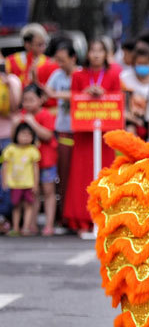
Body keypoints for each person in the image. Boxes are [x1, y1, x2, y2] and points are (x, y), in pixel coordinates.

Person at [64, 38, 121, 233]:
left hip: (104, 133)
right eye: (92, 50)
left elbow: (117, 101)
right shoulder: (78, 76)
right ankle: (80, 217)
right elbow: (74, 99)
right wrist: (87, 94)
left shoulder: (114, 74)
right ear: (87, 54)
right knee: (82, 174)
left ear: (106, 54)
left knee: (103, 173)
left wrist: (103, 95)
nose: (96, 54)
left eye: (100, 51)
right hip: (84, 133)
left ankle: (103, 215)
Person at [15, 85, 57, 236]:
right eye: (25, 100)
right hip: (28, 163)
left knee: (48, 191)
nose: (28, 103)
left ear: (41, 100)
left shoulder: (45, 115)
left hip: (46, 160)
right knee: (33, 192)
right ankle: (31, 224)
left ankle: (49, 225)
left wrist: (32, 122)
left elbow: (47, 135)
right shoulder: (22, 115)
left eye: (31, 100)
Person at [45, 41, 77, 223]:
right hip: (63, 131)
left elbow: (82, 95)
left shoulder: (81, 74)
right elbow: (47, 91)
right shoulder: (57, 75)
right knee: (63, 175)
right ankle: (63, 214)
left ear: (73, 58)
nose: (60, 64)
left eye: (63, 60)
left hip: (80, 132)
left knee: (77, 176)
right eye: (58, 60)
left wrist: (59, 95)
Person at [2, 122, 41, 235]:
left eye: (29, 135)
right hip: (15, 183)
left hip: (28, 183)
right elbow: (5, 166)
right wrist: (4, 181)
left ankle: (26, 227)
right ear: (16, 135)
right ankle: (15, 227)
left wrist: (35, 183)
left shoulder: (33, 150)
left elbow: (35, 169)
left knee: (28, 205)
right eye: (23, 134)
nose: (25, 138)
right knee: (16, 206)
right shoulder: (10, 149)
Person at [0, 60, 23, 232]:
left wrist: (7, 85)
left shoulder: (13, 80)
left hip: (8, 137)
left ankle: (5, 216)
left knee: (8, 179)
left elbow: (16, 107)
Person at [120, 45, 149, 138]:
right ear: (133, 63)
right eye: (139, 63)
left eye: (146, 63)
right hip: (129, 122)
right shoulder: (124, 78)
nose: (142, 66)